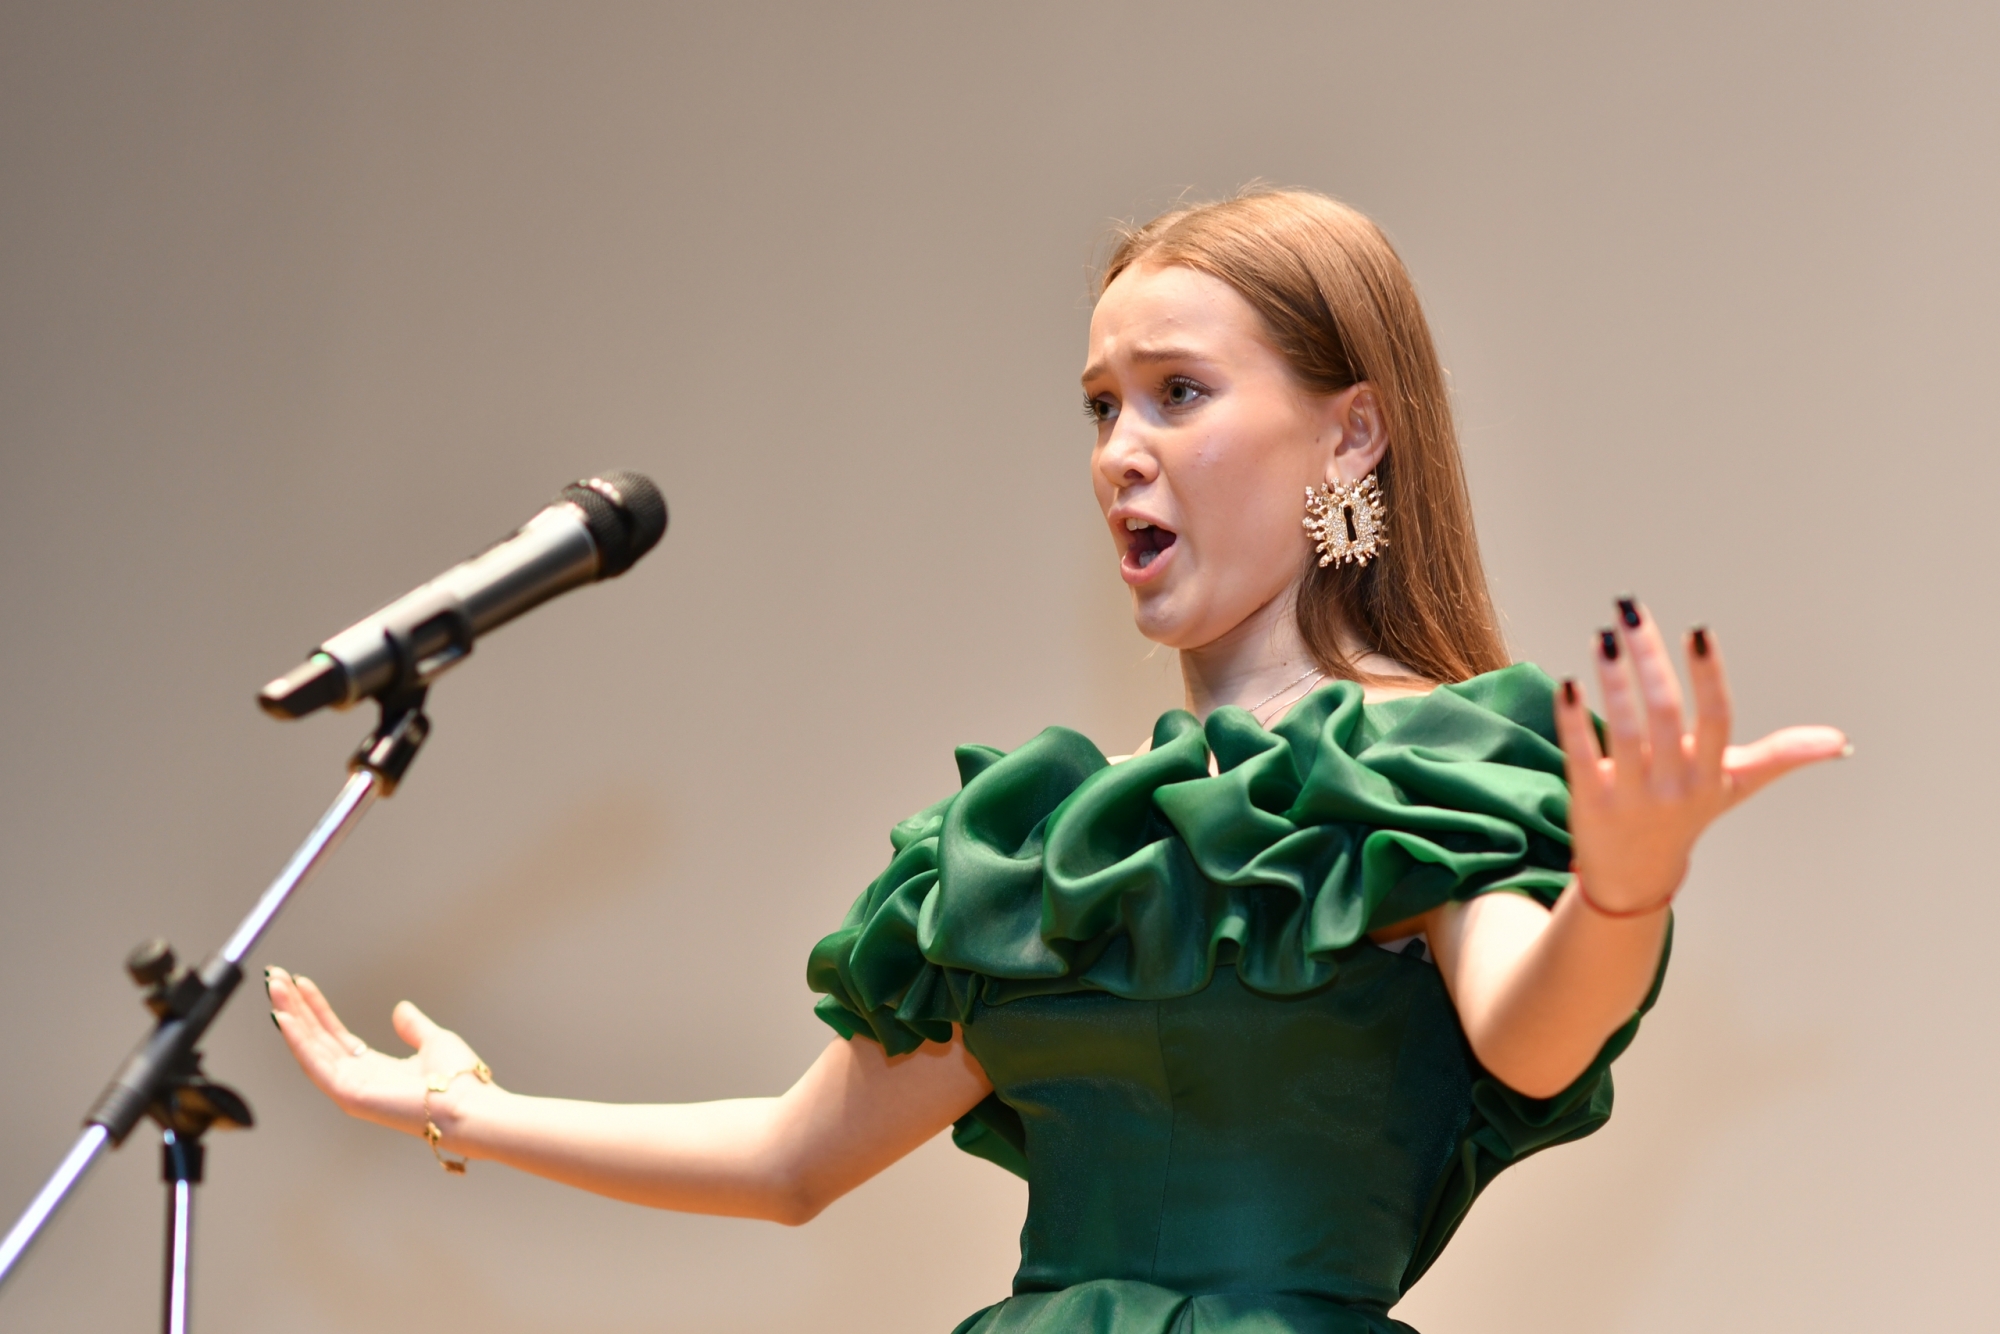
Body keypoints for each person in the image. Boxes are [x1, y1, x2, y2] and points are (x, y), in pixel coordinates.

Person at [269, 189, 1847, 1333]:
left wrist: (1622, 893)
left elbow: (1530, 1035)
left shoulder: (1425, 760)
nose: (1118, 451)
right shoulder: (1051, 843)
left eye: (1177, 393)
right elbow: (791, 1156)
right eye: (1101, 405)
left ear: (1351, 434)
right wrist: (462, 1105)